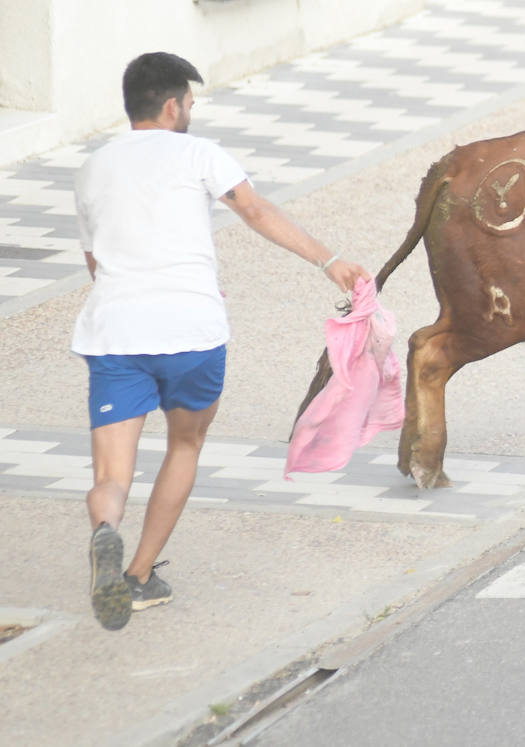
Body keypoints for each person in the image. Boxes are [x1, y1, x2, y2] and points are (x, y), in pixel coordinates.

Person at [75, 52, 370, 631]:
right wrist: (328, 260)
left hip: (114, 332)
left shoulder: (92, 168)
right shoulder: (199, 153)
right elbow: (254, 210)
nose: (190, 112)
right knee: (184, 445)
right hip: (192, 329)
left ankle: (105, 531)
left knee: (111, 476)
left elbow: (95, 263)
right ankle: (137, 577)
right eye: (189, 103)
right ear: (171, 106)